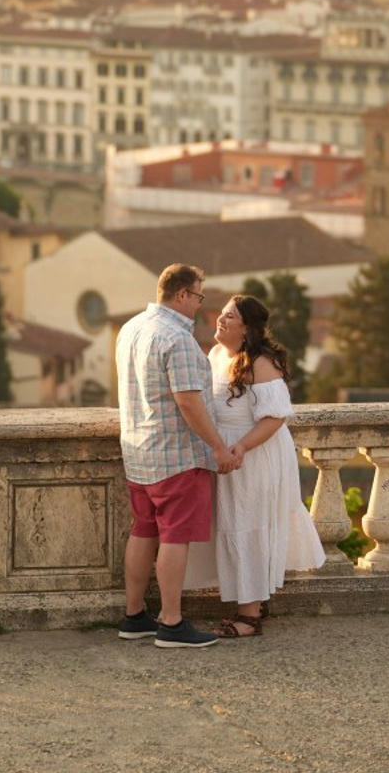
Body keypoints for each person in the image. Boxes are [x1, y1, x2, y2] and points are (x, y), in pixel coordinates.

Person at [115, 263, 242, 649]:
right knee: (174, 536)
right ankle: (171, 622)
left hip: (138, 451)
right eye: (199, 296)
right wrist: (218, 447)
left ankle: (135, 616)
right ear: (182, 294)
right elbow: (188, 402)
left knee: (143, 530)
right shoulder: (178, 339)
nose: (200, 306)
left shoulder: (131, 329)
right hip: (176, 455)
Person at [186, 293, 325, 638]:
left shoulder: (262, 363)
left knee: (247, 525)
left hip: (256, 454)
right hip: (227, 452)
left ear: (247, 328)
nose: (221, 319)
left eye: (230, 317)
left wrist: (241, 447)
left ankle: (249, 616)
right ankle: (252, 601)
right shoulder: (217, 354)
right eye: (223, 314)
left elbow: (275, 417)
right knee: (231, 524)